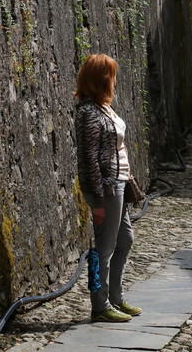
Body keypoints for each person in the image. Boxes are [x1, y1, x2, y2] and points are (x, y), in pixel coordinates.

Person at [74, 53, 143, 323]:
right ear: (102, 78)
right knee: (103, 248)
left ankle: (115, 297)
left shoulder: (103, 107)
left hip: (120, 182)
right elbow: (88, 157)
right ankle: (99, 305)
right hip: (105, 187)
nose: (115, 79)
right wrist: (99, 200)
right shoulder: (88, 112)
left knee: (125, 240)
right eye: (111, 75)